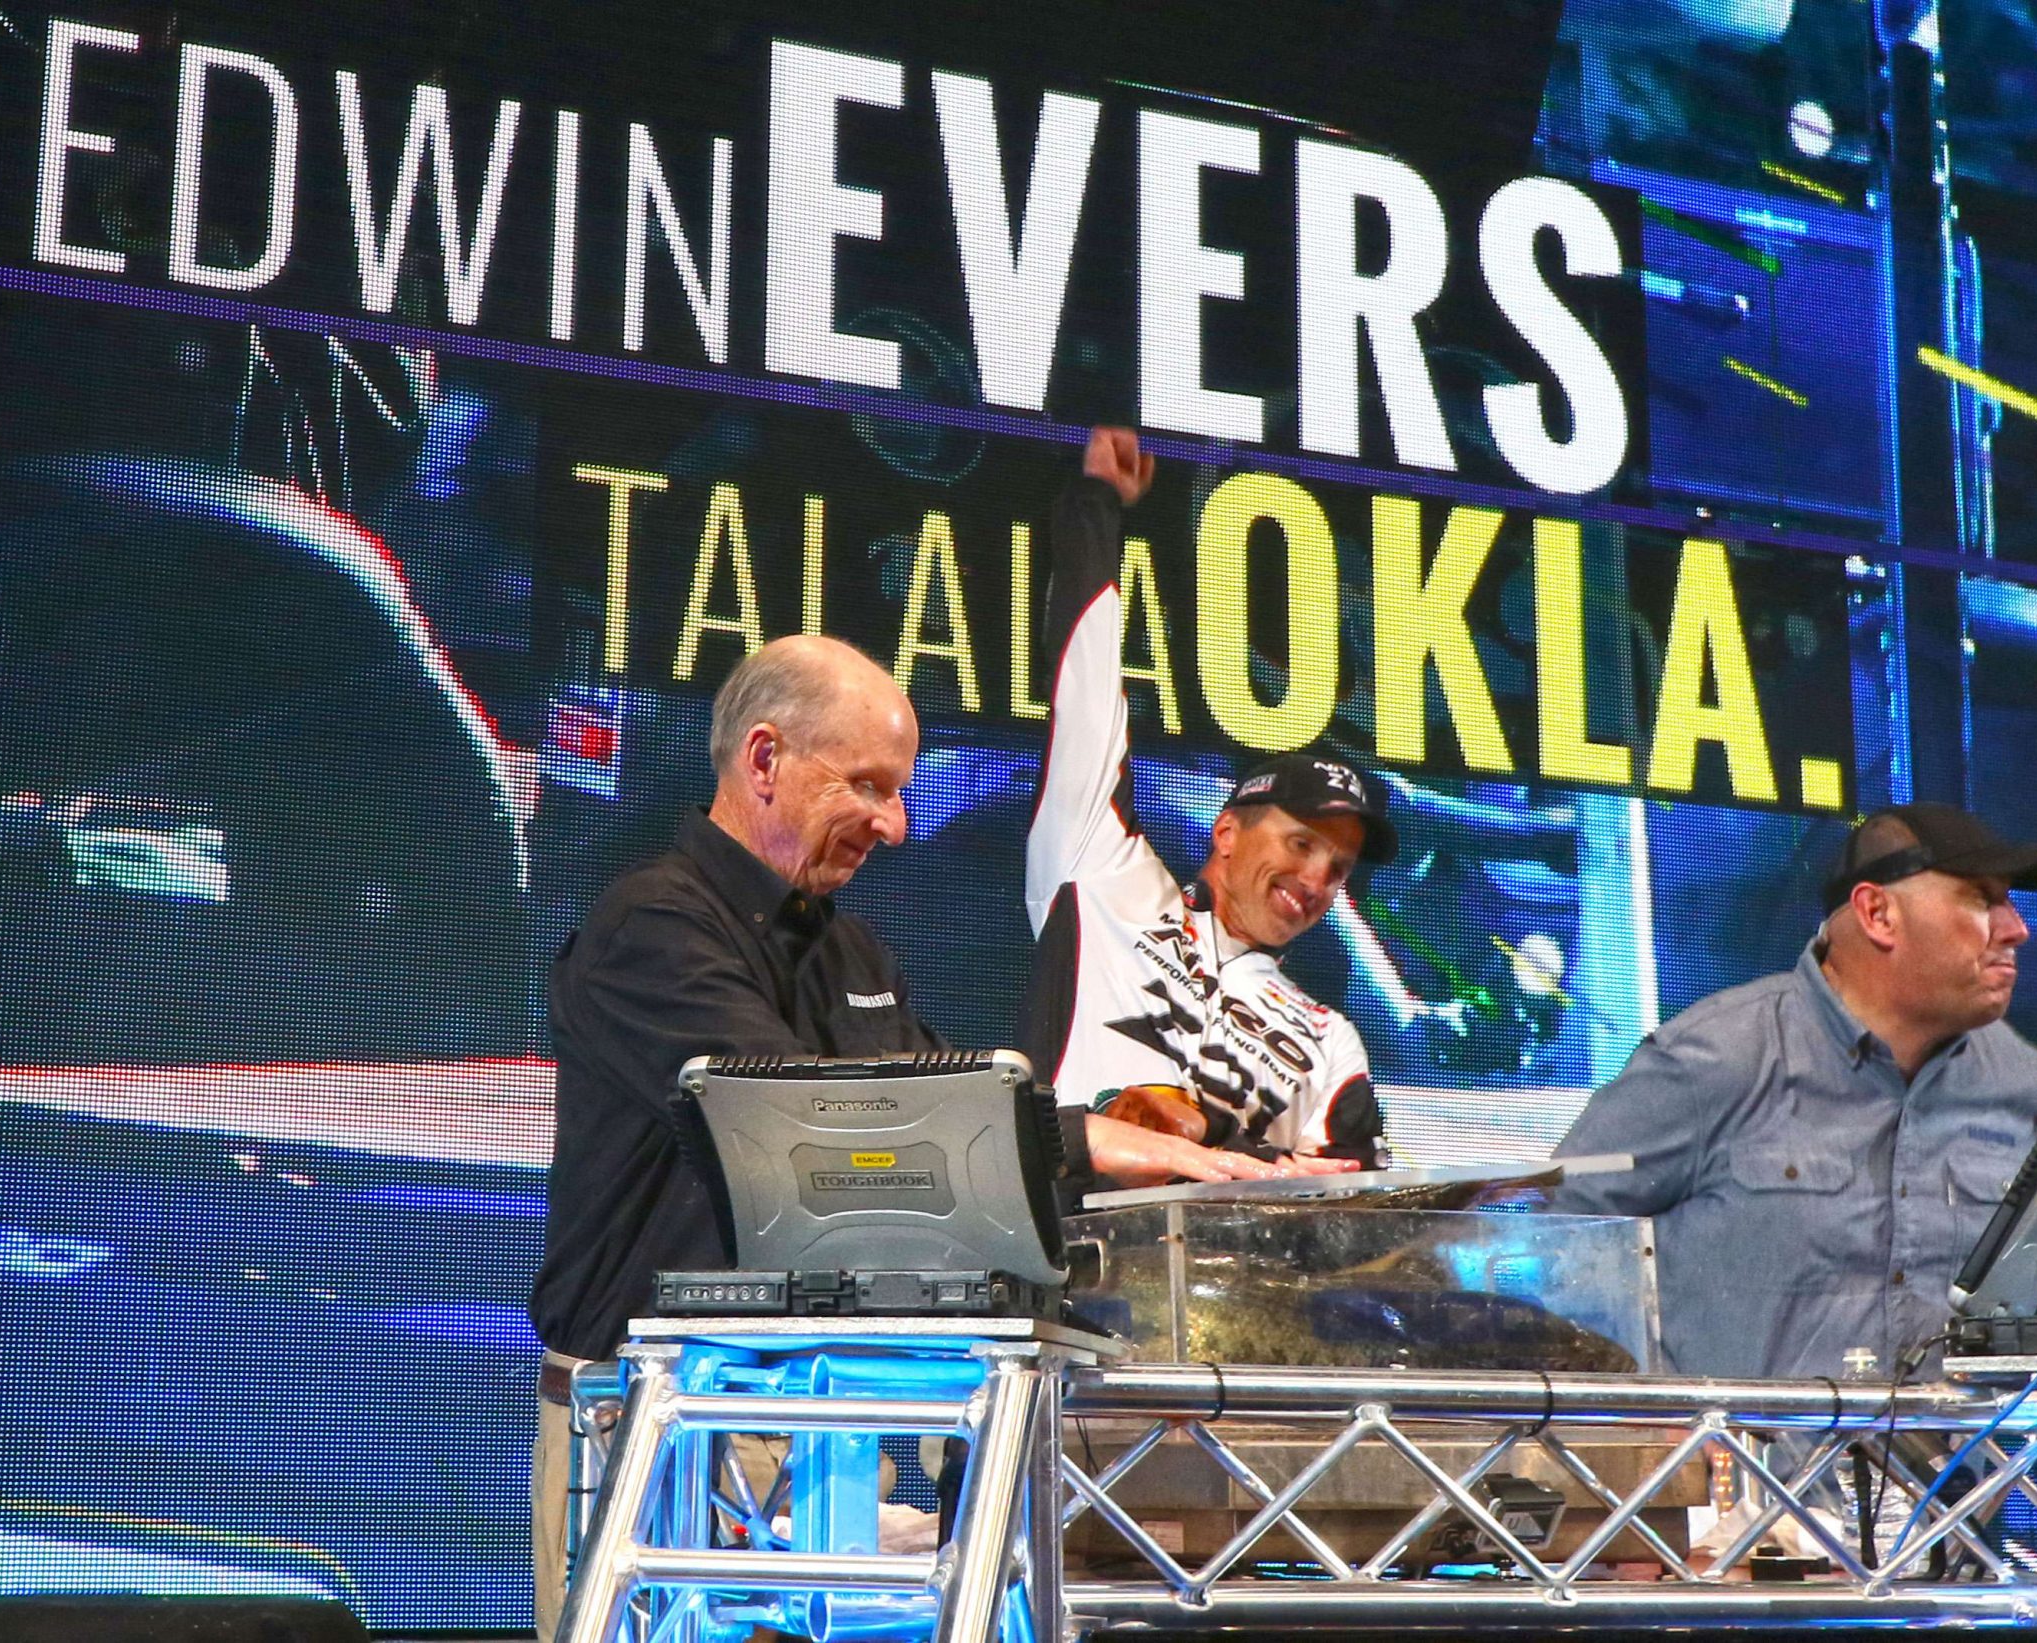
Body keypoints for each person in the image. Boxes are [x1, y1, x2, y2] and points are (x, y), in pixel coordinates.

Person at [526, 633, 1284, 1635]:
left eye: (901, 790)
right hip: (660, 1425)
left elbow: (948, 1125)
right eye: (870, 786)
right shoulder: (653, 926)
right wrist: (1088, 1139)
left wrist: (1210, 1163)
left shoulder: (851, 947)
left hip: (834, 1425)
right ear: (764, 759)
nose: (898, 823)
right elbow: (812, 1127)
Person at [1548, 802, 2037, 1384]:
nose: (2017, 929)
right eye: (1981, 899)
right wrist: (1644, 1414)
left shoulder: (2018, 1074)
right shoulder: (1715, 1059)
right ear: (1878, 914)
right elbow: (1550, 1245)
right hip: (1744, 1444)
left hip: (1961, 1445)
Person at [1021, 428, 1394, 1178]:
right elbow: (1087, 687)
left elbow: (1360, 1201)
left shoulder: (1330, 1042)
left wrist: (1277, 1169)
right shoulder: (1103, 876)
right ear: (1227, 831)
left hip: (1221, 1251)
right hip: (1066, 1230)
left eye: (1338, 866)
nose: (1316, 879)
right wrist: (1096, 502)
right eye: (1301, 844)